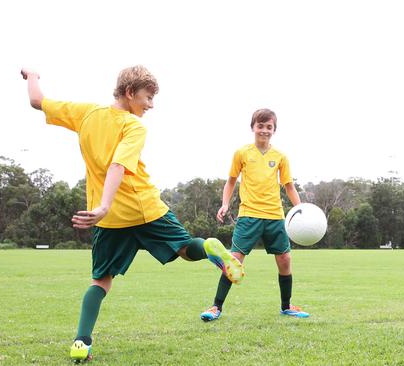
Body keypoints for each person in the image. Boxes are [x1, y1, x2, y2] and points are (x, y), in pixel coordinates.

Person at [20, 66, 244, 362]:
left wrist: (33, 76)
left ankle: (81, 342)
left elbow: (37, 101)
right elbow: (118, 165)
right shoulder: (133, 126)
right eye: (148, 97)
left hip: (110, 219)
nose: (150, 105)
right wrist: (103, 206)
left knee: (100, 281)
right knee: (185, 249)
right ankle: (209, 247)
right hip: (145, 208)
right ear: (129, 93)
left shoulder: (86, 113)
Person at [201, 108, 309, 321]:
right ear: (253, 127)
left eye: (269, 127)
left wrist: (300, 210)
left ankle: (286, 306)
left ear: (274, 130)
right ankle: (216, 307)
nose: (264, 130)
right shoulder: (242, 153)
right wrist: (225, 204)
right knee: (234, 260)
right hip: (248, 215)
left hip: (275, 216)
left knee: (285, 259)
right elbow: (231, 181)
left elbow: (289, 186)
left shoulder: (280, 157)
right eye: (260, 126)